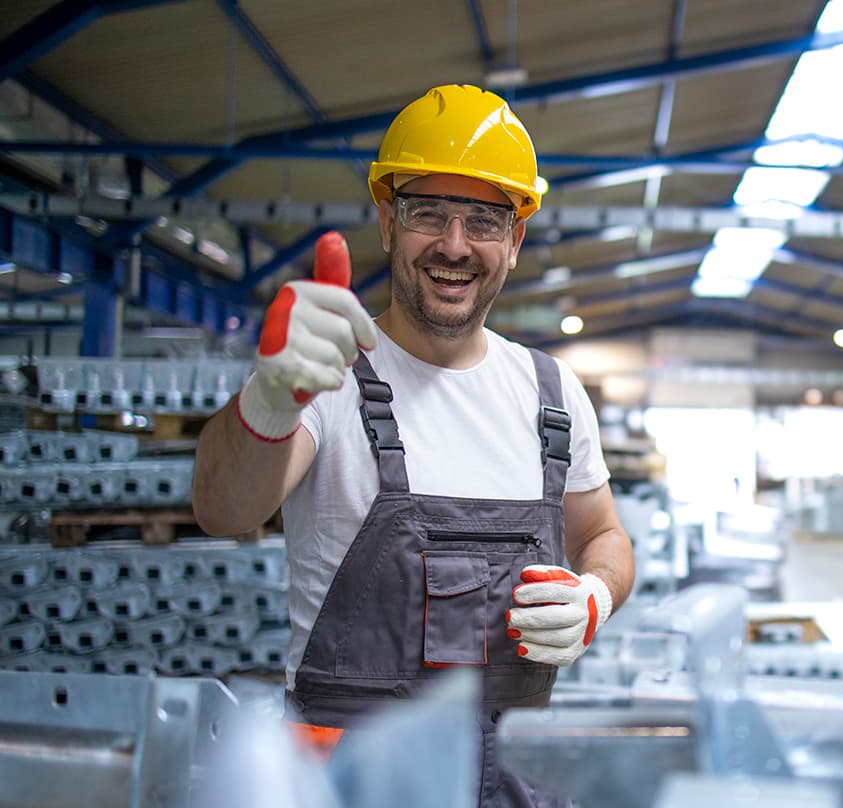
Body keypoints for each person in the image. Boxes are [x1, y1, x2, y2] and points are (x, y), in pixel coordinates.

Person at [192, 84, 635, 806]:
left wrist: (596, 595)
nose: (454, 245)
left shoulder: (553, 394)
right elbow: (222, 509)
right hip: (348, 786)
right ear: (387, 222)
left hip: (513, 783)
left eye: (484, 220)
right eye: (428, 212)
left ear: (515, 240)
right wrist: (269, 399)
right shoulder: (326, 375)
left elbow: (605, 535)